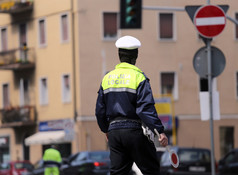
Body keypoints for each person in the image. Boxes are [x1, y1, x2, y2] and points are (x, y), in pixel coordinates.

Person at [95, 35, 168, 175]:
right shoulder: (139, 77)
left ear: (119, 55)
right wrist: (159, 130)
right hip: (135, 131)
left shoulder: (107, 78)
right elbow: (145, 109)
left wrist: (106, 129)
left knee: (117, 172)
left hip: (114, 133)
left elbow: (99, 110)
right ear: (136, 56)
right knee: (150, 169)